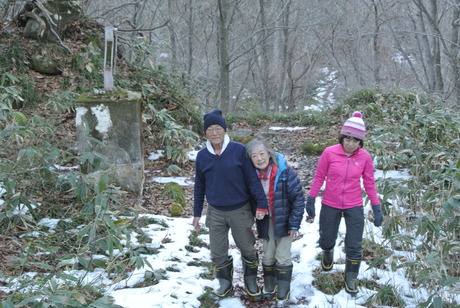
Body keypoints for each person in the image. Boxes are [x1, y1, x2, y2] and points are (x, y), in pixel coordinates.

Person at [192, 109, 268, 300]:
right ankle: (225, 284)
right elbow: (199, 185)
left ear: (225, 130)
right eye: (210, 129)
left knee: (248, 248)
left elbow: (252, 179)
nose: (215, 133)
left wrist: (261, 204)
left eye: (218, 128)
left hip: (239, 210)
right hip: (215, 212)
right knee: (217, 252)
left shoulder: (238, 150)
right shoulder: (202, 156)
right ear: (205, 134)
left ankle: (251, 281)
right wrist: (196, 213)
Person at [305, 111, 383, 297]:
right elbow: (319, 176)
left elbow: (369, 183)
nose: (350, 143)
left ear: (360, 142)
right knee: (327, 238)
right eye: (347, 138)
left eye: (355, 140)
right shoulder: (329, 152)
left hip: (353, 204)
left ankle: (351, 278)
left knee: (354, 244)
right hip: (330, 203)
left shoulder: (364, 157)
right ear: (342, 137)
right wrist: (310, 198)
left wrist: (376, 206)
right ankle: (327, 253)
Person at [246, 138, 305, 307]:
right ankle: (270, 286)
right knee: (268, 253)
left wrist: (294, 224)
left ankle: (283, 292)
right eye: (254, 156)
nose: (259, 158)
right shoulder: (252, 177)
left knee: (282, 255)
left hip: (284, 220)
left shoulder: (284, 172)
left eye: (262, 153)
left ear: (269, 154)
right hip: (266, 221)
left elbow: (298, 199)